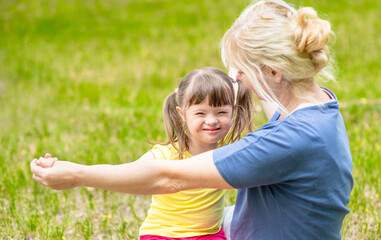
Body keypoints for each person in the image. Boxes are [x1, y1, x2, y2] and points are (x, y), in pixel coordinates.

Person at [31, 0, 353, 239]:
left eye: (242, 70)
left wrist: (76, 174)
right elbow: (272, 95)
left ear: (273, 71)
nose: (237, 79)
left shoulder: (285, 141)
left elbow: (167, 178)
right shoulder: (316, 104)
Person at [34, 67, 253, 240]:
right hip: (162, 235)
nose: (212, 120)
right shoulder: (165, 155)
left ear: (233, 112)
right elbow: (128, 173)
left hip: (209, 234)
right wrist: (70, 171)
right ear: (182, 114)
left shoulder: (228, 153)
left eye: (221, 112)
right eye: (200, 113)